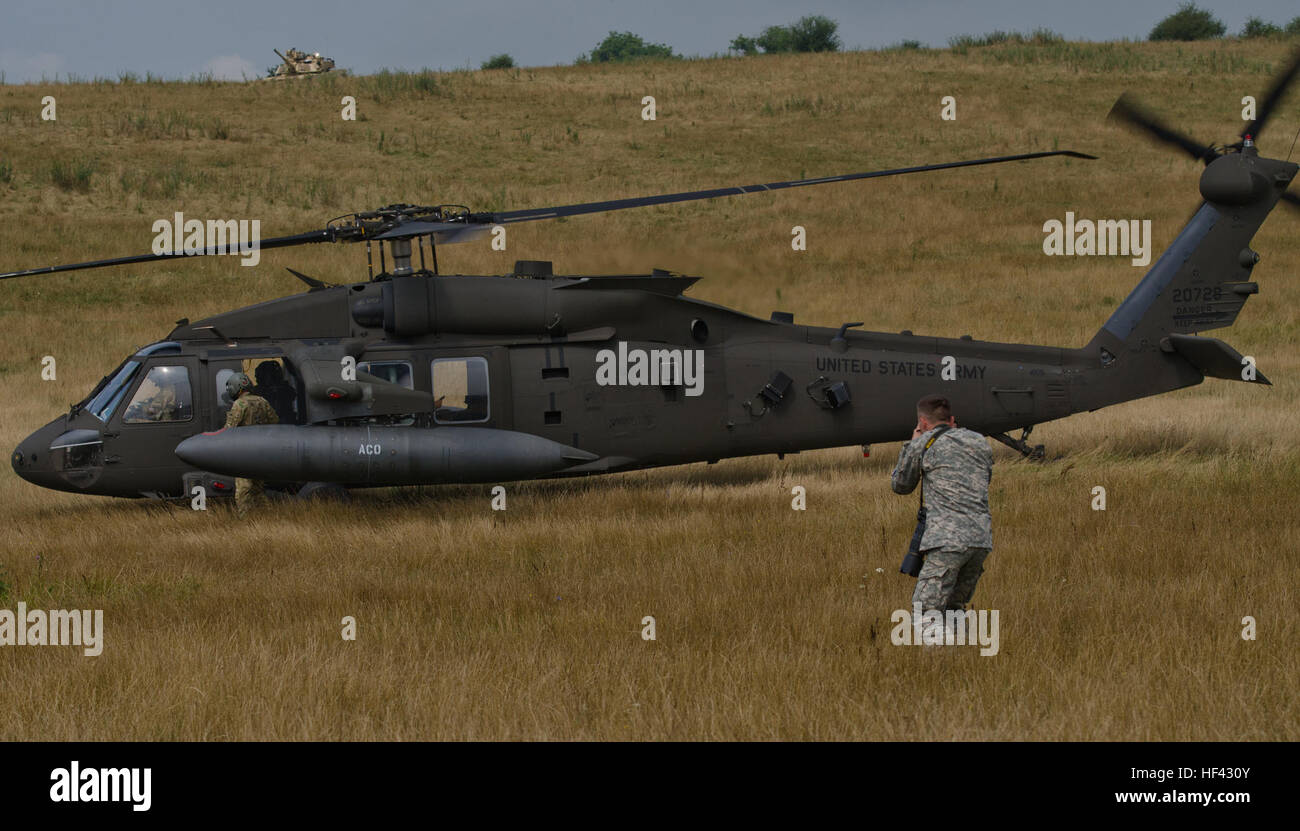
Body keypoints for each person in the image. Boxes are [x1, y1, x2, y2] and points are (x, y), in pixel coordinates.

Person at [890, 394, 993, 641]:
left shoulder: (923, 443)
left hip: (946, 540)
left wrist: (912, 442)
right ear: (952, 420)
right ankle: (959, 660)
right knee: (953, 609)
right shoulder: (979, 442)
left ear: (922, 423)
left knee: (925, 611)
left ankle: (938, 662)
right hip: (980, 539)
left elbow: (901, 485)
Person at [224, 371, 279, 516]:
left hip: (244, 453)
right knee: (258, 489)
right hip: (261, 452)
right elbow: (275, 422)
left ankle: (245, 519)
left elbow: (229, 430)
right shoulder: (262, 401)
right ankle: (268, 516)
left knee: (243, 490)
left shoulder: (239, 404)